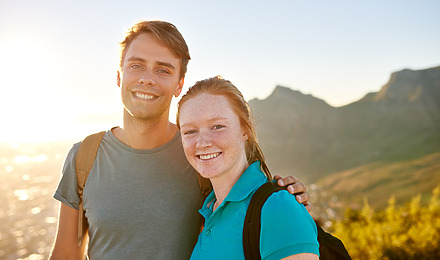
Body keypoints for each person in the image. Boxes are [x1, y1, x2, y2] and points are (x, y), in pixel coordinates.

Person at [49, 20, 311, 259]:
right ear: (119, 75)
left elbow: (248, 199)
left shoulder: (198, 154)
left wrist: (287, 195)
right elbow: (65, 253)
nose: (146, 79)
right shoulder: (84, 156)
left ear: (179, 84)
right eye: (136, 65)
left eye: (163, 70)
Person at [177, 76, 320, 259]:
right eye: (190, 131)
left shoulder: (278, 207)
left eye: (217, 126)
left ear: (245, 130)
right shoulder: (208, 208)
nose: (202, 142)